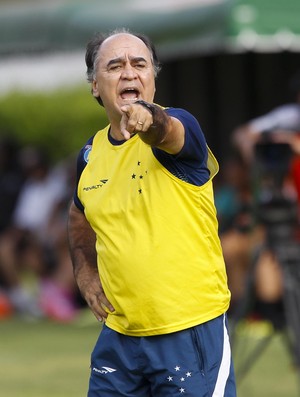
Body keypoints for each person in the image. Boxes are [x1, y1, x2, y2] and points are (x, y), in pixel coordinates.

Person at [68, 29, 236, 397]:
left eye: (139, 64)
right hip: (120, 338)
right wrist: (84, 271)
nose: (130, 72)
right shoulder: (90, 154)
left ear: (153, 79)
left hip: (189, 331)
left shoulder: (181, 128)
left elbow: (168, 130)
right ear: (96, 85)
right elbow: (79, 215)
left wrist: (150, 119)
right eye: (115, 66)